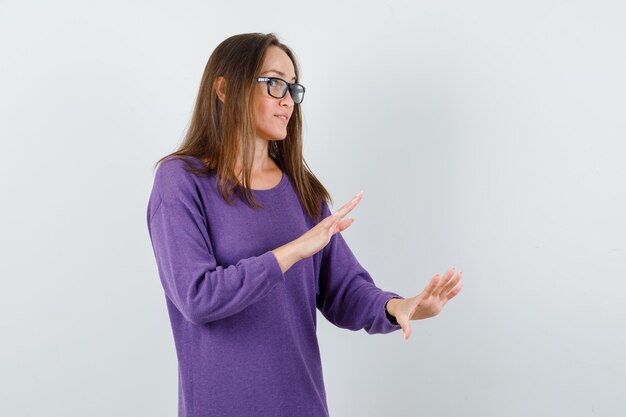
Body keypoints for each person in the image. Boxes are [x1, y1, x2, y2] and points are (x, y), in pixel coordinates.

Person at [146, 32, 463, 417]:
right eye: (274, 82)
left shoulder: (301, 189)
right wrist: (294, 249)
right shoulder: (180, 180)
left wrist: (397, 306)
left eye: (293, 88)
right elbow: (198, 297)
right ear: (225, 89)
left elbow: (344, 289)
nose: (287, 99)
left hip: (302, 405)